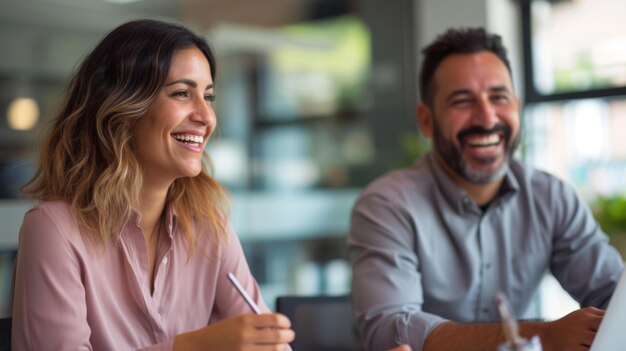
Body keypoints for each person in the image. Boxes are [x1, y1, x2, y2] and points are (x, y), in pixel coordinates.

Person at [12, 19, 294, 351]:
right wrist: (191, 347)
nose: (206, 116)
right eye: (181, 93)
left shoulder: (209, 226)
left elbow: (266, 342)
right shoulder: (54, 229)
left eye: (208, 96)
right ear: (122, 108)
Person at [347, 27, 625, 351]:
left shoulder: (551, 197)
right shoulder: (387, 205)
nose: (487, 117)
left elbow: (614, 296)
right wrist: (541, 336)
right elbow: (389, 328)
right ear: (426, 120)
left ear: (517, 107)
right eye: (462, 101)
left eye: (499, 97)